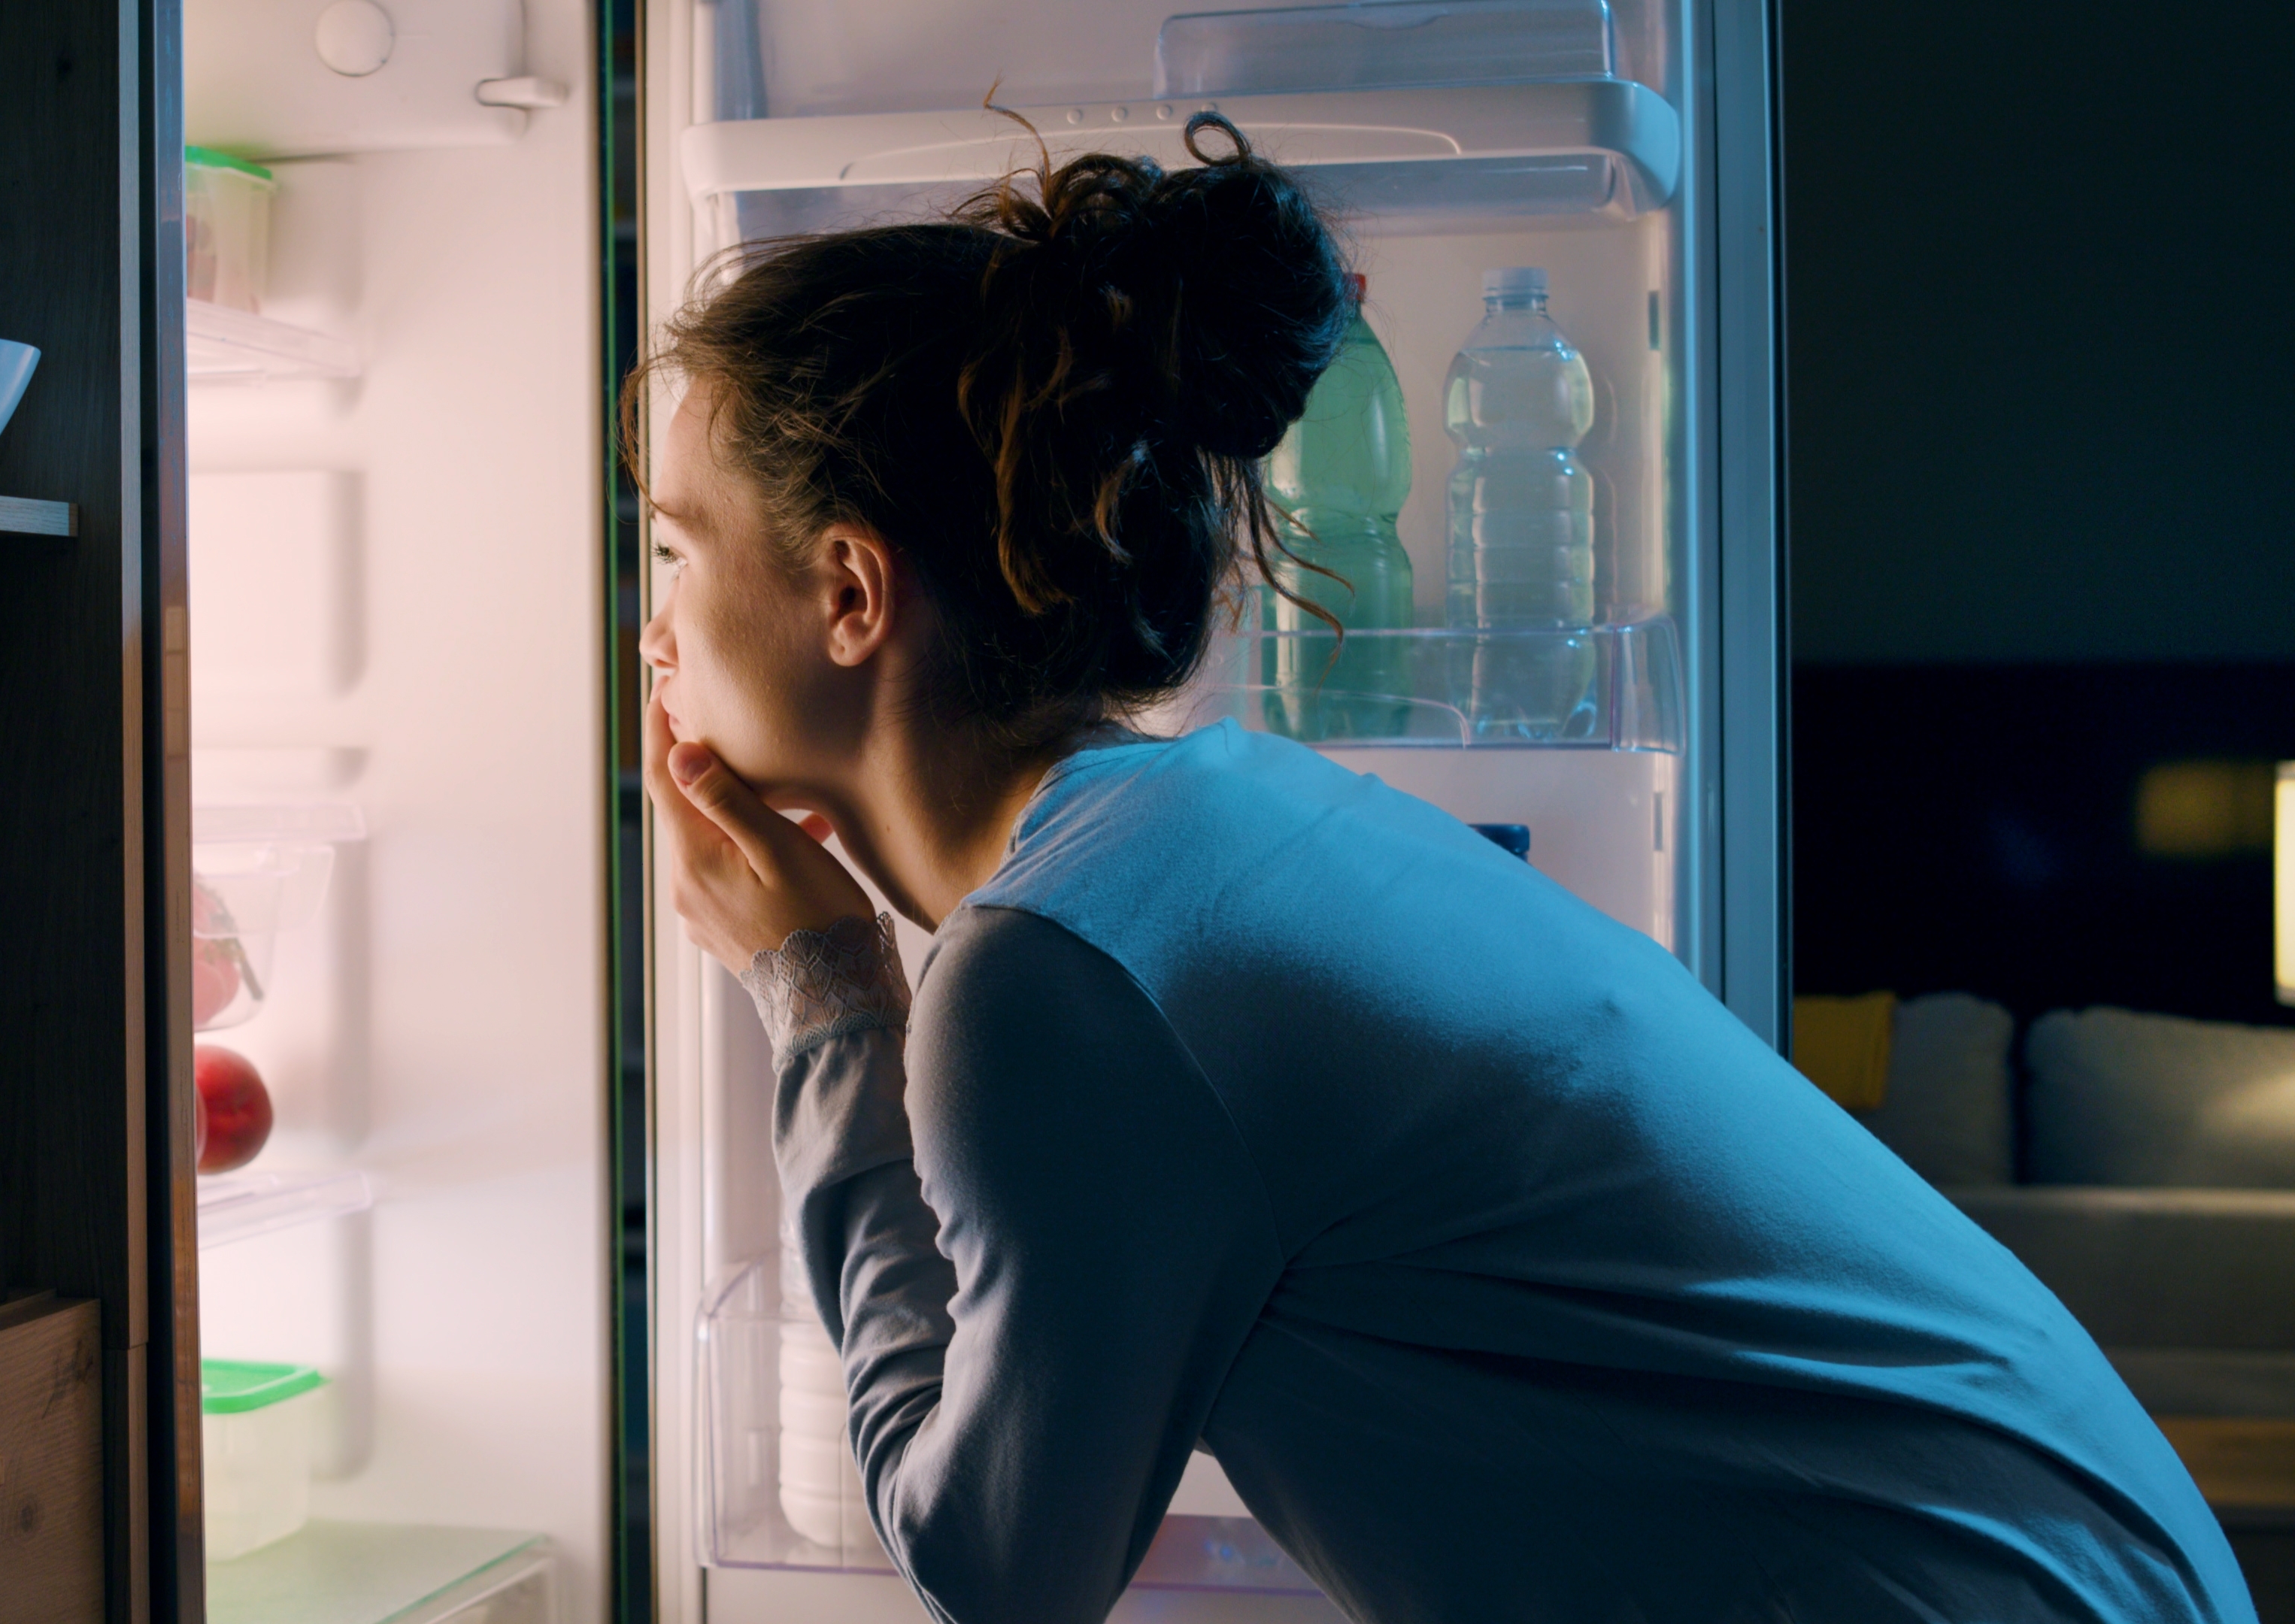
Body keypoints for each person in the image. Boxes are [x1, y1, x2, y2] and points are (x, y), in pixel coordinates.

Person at [632, 114, 2254, 1624]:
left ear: (849, 595)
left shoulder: (1052, 977)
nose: (649, 633)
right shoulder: (1225, 814)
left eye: (670, 548)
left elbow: (996, 1565)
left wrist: (826, 998)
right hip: (2092, 1560)